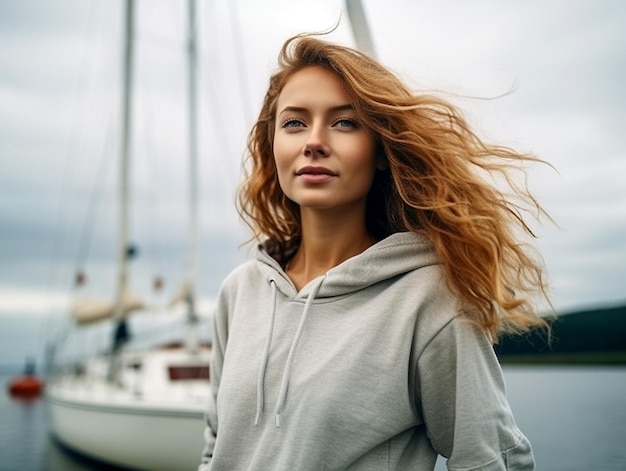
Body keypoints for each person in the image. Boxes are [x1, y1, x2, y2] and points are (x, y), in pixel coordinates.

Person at [199, 33, 551, 471]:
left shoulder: (429, 299)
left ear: (380, 150)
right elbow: (215, 452)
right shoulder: (240, 292)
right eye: (294, 123)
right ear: (273, 146)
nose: (314, 141)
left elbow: (492, 460)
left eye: (345, 122)